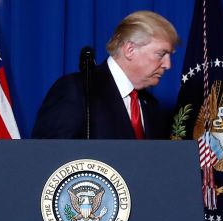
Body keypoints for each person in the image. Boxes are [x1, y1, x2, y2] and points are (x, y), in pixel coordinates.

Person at [31, 10, 180, 140]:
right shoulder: (78, 90)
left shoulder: (150, 105)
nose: (168, 65)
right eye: (161, 54)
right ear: (130, 50)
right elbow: (49, 159)